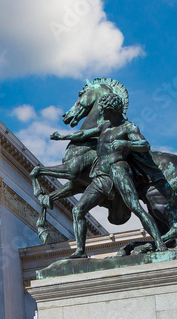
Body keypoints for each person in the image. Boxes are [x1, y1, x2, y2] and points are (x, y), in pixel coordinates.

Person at [50, 92, 167, 258]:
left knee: (136, 208)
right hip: (101, 176)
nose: (101, 113)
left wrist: (125, 143)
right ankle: (80, 251)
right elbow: (83, 134)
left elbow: (145, 144)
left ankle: (160, 244)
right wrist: (62, 137)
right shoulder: (104, 127)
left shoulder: (128, 127)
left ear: (112, 110)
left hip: (118, 170)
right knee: (78, 210)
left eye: (104, 110)